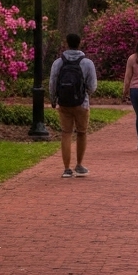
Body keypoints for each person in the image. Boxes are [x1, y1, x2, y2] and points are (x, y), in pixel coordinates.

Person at [49, 32, 97, 178]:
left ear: (67, 43)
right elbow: (93, 86)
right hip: (82, 103)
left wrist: (53, 99)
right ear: (79, 43)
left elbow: (52, 83)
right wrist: (85, 92)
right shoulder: (87, 63)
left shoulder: (58, 62)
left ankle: (66, 168)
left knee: (66, 133)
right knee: (82, 133)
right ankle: (79, 165)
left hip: (63, 103)